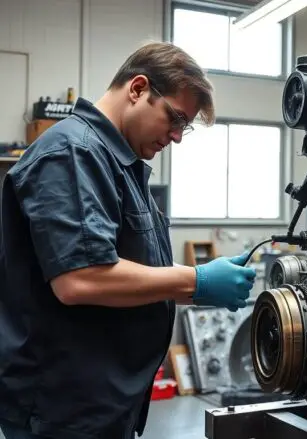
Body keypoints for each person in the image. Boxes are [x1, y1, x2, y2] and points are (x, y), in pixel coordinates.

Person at [0, 42, 257, 438]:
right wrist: (197, 281)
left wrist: (198, 281)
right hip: (63, 409)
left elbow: (132, 269)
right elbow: (82, 279)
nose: (177, 137)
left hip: (103, 402)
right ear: (138, 89)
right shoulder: (73, 153)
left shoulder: (120, 164)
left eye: (184, 126)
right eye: (174, 118)